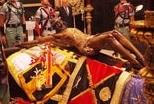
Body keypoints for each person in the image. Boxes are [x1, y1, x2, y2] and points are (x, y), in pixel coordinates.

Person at [16, 19, 146, 69]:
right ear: (55, 27)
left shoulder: (70, 28)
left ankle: (139, 57)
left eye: (60, 21)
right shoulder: (59, 35)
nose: (60, 23)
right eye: (57, 24)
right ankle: (134, 62)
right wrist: (23, 44)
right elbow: (39, 40)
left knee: (115, 32)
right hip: (87, 45)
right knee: (110, 37)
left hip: (91, 38)